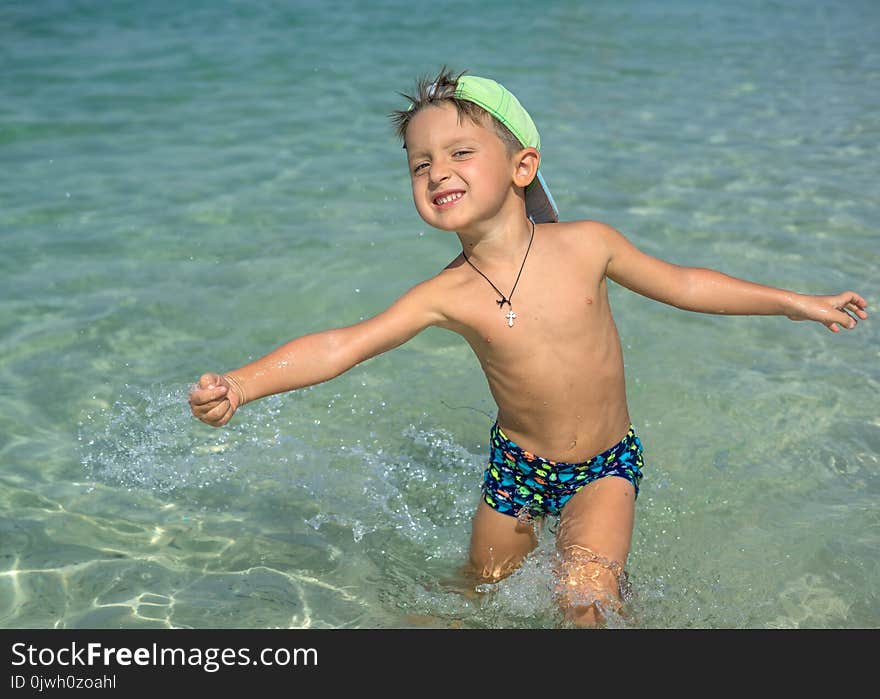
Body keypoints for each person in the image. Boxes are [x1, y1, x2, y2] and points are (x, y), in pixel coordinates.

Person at [188, 67, 868, 627]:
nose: (436, 172)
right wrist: (243, 385)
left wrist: (796, 302)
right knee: (471, 597)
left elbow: (687, 284)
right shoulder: (445, 293)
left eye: (459, 153)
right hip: (514, 471)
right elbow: (345, 344)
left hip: (602, 466)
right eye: (419, 163)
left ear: (523, 166)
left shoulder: (586, 245)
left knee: (585, 604)